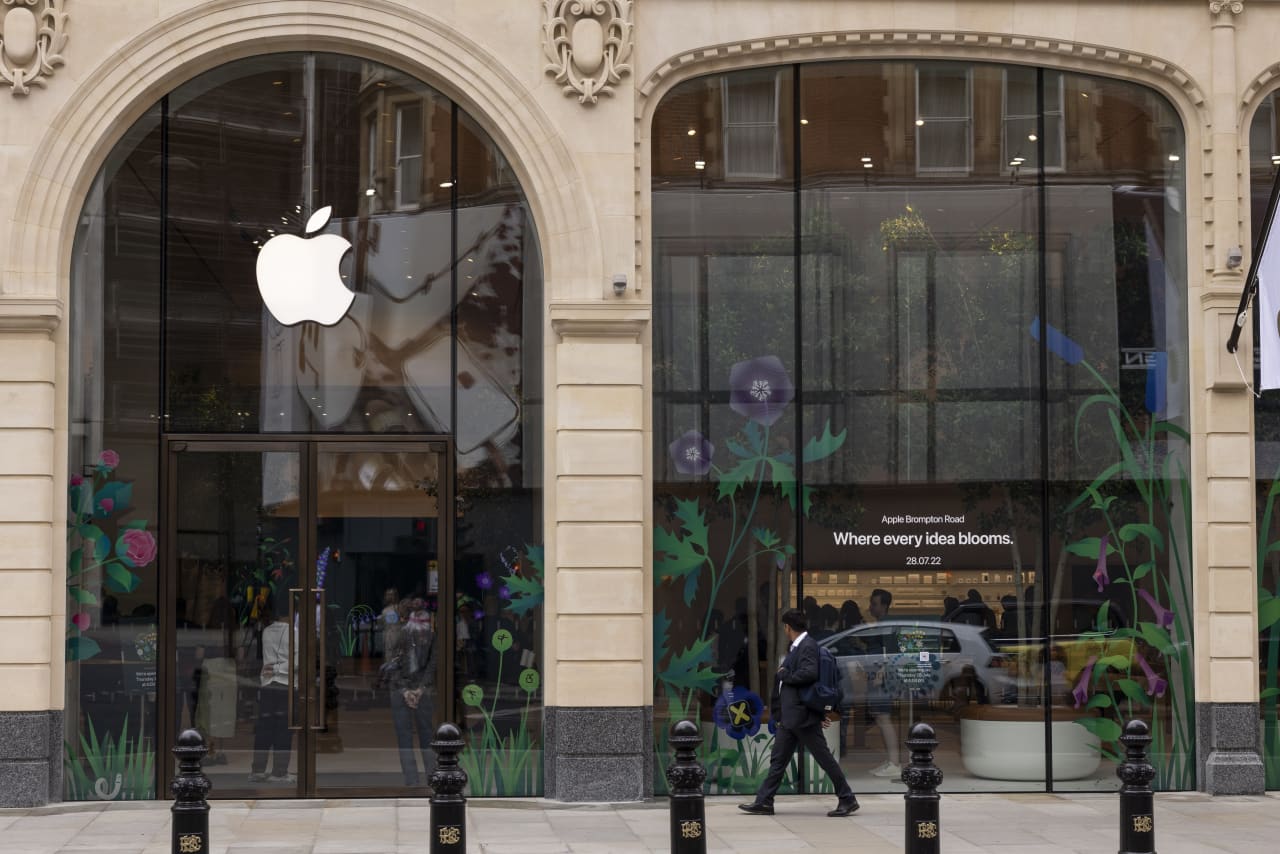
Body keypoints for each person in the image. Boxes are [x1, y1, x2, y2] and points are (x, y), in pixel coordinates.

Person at [739, 609, 858, 818]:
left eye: (783, 627)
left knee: (824, 758)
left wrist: (786, 674)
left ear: (787, 627)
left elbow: (810, 673)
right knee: (778, 760)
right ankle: (764, 801)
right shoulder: (798, 646)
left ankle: (847, 798)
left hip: (802, 717)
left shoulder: (807, 646)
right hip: (791, 717)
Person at [388, 599, 437, 787]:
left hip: (420, 690)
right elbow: (393, 665)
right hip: (401, 690)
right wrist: (406, 691)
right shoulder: (400, 636)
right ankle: (412, 780)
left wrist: (420, 689)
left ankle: (431, 777)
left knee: (426, 734)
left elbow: (433, 663)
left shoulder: (432, 637)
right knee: (405, 736)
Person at [250, 594, 295, 783]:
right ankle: (279, 771)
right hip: (286, 684)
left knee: (265, 728)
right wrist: (279, 668)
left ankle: (258, 770)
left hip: (267, 685)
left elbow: (263, 659)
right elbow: (297, 662)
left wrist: (271, 669)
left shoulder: (266, 631)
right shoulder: (293, 631)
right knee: (284, 728)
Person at [864, 588, 901, 778]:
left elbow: (890, 652)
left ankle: (894, 762)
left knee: (884, 718)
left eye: (874, 603)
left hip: (881, 678)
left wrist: (881, 674)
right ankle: (891, 761)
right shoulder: (881, 624)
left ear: (884, 606)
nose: (871, 607)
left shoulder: (886, 624)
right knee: (881, 718)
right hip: (878, 676)